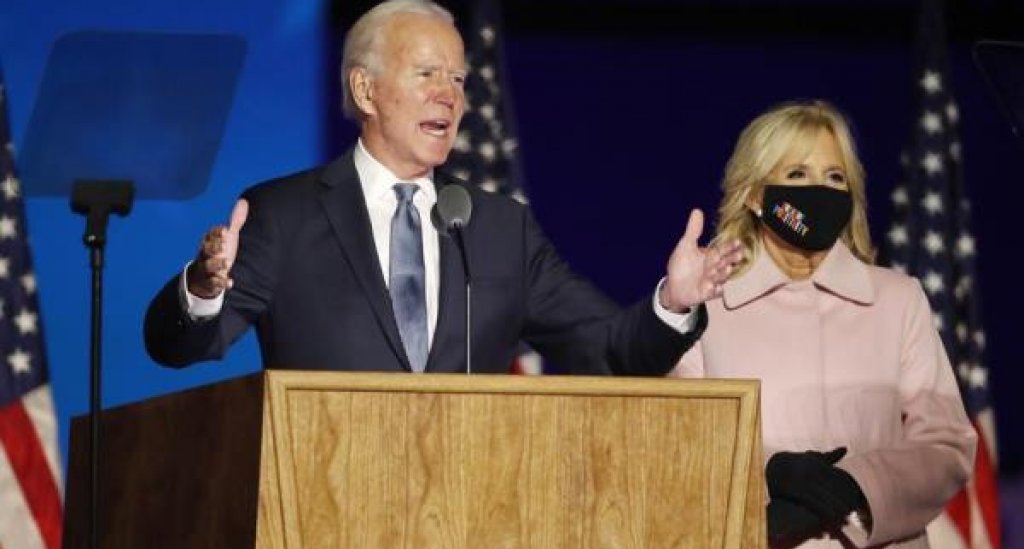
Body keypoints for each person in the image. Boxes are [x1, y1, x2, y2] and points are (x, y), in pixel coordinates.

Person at [144, 0, 742, 376]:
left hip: (467, 520)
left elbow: (610, 349)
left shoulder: (500, 229)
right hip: (317, 510)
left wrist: (673, 303)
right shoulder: (284, 214)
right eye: (426, 73)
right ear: (366, 90)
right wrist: (201, 289)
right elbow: (182, 347)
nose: (449, 94)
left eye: (457, 77)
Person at [672, 100, 977, 549]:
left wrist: (857, 488)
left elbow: (946, 444)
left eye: (835, 177)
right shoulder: (708, 307)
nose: (819, 190)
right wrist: (772, 476)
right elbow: (683, 443)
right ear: (755, 195)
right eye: (796, 174)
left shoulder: (898, 301)